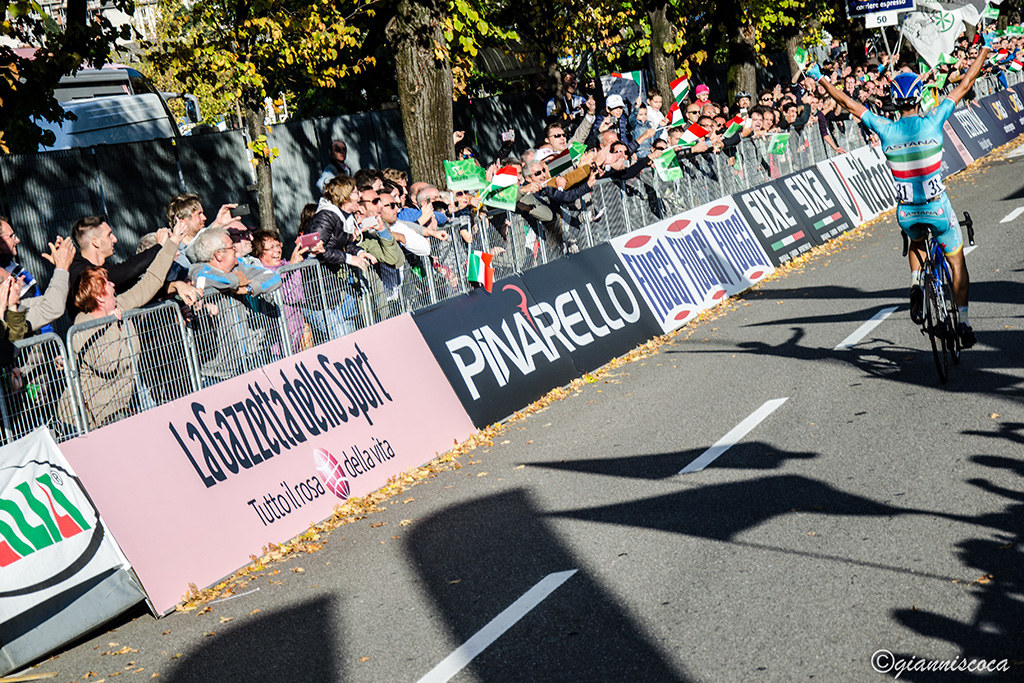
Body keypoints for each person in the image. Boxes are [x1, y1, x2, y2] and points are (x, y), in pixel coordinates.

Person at [812, 43, 991, 348]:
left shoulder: (885, 128)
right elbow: (966, 84)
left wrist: (822, 80)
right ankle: (962, 321)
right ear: (919, 98)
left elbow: (848, 102)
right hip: (937, 207)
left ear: (893, 102)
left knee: (916, 241)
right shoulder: (933, 120)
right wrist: (984, 51)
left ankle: (916, 283)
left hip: (907, 211)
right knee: (957, 261)